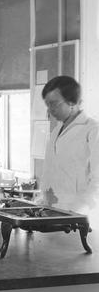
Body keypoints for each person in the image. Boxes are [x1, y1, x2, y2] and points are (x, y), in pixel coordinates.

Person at [37, 75, 99, 223]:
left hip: (78, 216)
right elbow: (50, 171)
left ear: (72, 102)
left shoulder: (93, 130)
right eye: (47, 105)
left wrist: (77, 211)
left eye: (54, 104)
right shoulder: (56, 131)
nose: (50, 110)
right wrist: (41, 201)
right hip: (52, 212)